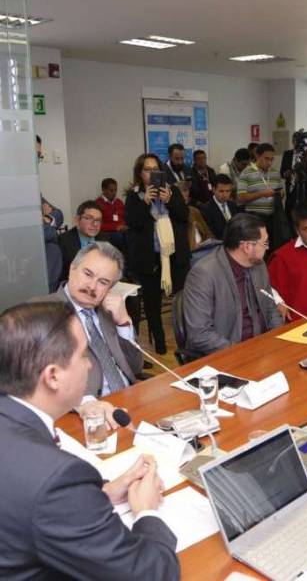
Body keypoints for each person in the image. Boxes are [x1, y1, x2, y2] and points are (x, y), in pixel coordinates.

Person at [0, 301, 179, 579]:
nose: (89, 364)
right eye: (83, 354)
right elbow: (151, 574)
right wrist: (146, 511)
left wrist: (102, 493)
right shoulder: (57, 478)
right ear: (53, 376)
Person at [39, 241, 143, 420]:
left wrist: (123, 322)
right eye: (88, 274)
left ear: (110, 288)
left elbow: (135, 367)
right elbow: (38, 373)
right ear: (72, 268)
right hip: (84, 413)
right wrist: (85, 402)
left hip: (128, 402)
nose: (92, 286)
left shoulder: (109, 311)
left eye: (103, 282)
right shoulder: (42, 312)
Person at [183, 213, 283, 356]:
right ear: (247, 247)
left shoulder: (259, 265)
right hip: (229, 353)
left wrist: (278, 340)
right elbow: (200, 335)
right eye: (265, 243)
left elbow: (270, 309)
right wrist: (242, 353)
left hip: (263, 349)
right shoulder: (204, 274)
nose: (267, 248)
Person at [125, 153, 190, 354]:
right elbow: (133, 223)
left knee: (181, 300)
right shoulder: (134, 196)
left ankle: (186, 339)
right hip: (149, 258)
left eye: (155, 169)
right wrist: (145, 202)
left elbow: (184, 216)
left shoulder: (172, 191)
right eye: (147, 170)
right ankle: (159, 341)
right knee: (152, 303)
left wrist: (169, 200)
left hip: (174, 256)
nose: (152, 173)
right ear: (140, 173)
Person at [237, 142, 284, 240]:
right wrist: (261, 194)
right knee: (257, 245)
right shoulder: (246, 172)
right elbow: (241, 198)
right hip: (255, 218)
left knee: (273, 245)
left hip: (274, 218)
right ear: (257, 156)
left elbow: (281, 191)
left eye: (272, 159)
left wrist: (281, 193)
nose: (269, 163)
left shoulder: (275, 173)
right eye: (266, 159)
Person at [59, 200, 110, 279]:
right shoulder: (64, 240)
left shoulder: (104, 239)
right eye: (89, 218)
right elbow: (62, 275)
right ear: (77, 220)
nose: (95, 224)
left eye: (98, 220)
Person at [176, 180, 215, 262]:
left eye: (186, 190)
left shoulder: (194, 211)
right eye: (181, 192)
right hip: (191, 255)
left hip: (204, 249)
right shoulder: (172, 215)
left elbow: (208, 233)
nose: (184, 194)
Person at [201, 174, 239, 239]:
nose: (225, 195)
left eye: (228, 191)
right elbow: (210, 233)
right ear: (213, 189)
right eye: (221, 191)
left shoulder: (233, 205)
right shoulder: (206, 209)